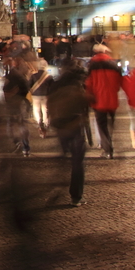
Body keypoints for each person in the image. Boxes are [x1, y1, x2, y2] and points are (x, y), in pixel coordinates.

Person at [48, 60, 90, 206]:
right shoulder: (77, 89)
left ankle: (58, 185)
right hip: (74, 126)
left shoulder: (56, 85)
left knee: (65, 158)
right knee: (77, 162)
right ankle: (76, 195)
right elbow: (87, 103)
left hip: (60, 126)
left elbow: (50, 104)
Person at [85, 44, 123, 159]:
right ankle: (109, 144)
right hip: (112, 99)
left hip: (98, 100)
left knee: (102, 125)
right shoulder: (114, 64)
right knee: (110, 124)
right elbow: (118, 83)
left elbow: (88, 83)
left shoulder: (92, 65)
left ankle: (107, 149)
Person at [3, 57, 32, 156]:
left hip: (14, 103)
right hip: (21, 102)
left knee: (13, 125)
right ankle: (25, 146)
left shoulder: (12, 75)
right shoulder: (21, 76)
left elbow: (5, 89)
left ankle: (19, 144)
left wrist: (11, 94)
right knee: (21, 125)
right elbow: (26, 89)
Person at [29, 59, 54, 138]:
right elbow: (52, 87)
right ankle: (46, 124)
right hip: (45, 95)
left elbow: (29, 85)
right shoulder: (49, 76)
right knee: (45, 110)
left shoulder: (34, 75)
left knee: (36, 109)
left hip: (35, 95)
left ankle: (39, 122)